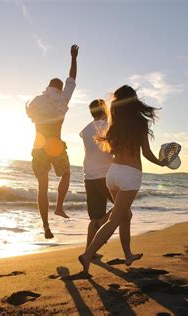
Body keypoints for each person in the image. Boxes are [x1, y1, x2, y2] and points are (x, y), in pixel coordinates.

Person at [78, 85, 169, 277]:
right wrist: (161, 163)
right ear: (134, 101)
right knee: (114, 220)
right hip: (130, 175)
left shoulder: (114, 123)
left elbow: (111, 150)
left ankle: (128, 255)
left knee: (125, 216)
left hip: (113, 174)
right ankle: (87, 255)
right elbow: (146, 152)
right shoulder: (140, 123)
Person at [26, 44, 79, 239]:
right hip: (55, 145)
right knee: (66, 174)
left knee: (42, 187)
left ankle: (46, 226)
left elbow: (30, 115)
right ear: (60, 88)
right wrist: (73, 58)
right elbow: (72, 79)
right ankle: (58, 206)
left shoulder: (37, 101)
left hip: (39, 146)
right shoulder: (62, 100)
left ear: (48, 86)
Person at [80, 99, 114, 254]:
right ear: (103, 109)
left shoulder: (85, 129)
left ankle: (89, 251)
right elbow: (112, 149)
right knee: (123, 207)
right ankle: (102, 222)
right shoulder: (108, 126)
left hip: (89, 176)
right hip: (105, 176)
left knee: (93, 218)